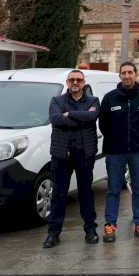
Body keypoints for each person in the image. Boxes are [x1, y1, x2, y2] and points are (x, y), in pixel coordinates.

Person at [99, 61, 139, 242]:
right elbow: (103, 124)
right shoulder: (110, 98)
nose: (127, 76)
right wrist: (115, 140)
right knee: (113, 189)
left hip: (138, 151)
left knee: (138, 188)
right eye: (123, 73)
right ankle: (110, 224)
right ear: (120, 76)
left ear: (135, 74)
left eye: (130, 72)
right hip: (115, 152)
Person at [42, 69, 100, 248]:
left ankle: (90, 230)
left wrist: (71, 115)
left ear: (84, 83)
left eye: (79, 80)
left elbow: (92, 117)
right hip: (62, 154)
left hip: (85, 154)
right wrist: (81, 117)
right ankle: (53, 233)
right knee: (58, 194)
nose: (75, 83)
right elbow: (56, 119)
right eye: (72, 80)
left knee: (86, 193)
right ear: (67, 82)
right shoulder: (57, 101)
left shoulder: (93, 101)